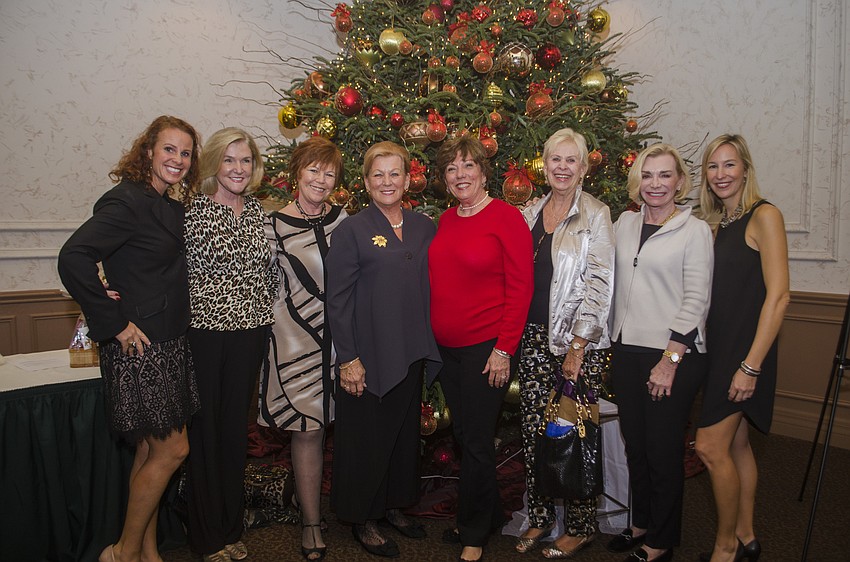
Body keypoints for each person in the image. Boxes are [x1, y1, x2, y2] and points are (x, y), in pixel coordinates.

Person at [58, 115, 202, 562]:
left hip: (170, 340)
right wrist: (114, 322)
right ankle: (121, 552)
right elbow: (73, 256)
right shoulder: (127, 200)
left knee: (148, 448)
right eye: (169, 149)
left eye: (185, 152)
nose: (178, 159)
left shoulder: (166, 204)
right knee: (174, 449)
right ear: (148, 151)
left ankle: (146, 551)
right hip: (140, 345)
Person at [326, 141, 442, 558]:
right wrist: (348, 359)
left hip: (410, 350)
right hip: (367, 355)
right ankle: (363, 517)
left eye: (395, 174)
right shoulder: (351, 230)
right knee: (367, 441)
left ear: (408, 180)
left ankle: (393, 506)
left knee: (402, 437)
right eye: (378, 174)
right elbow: (337, 300)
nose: (387, 182)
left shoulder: (424, 226)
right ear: (366, 181)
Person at [429, 136, 534, 562]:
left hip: (486, 349)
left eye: (468, 165)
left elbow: (521, 288)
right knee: (463, 436)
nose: (460, 175)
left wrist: (504, 349)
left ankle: (472, 533)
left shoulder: (506, 217)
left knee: (475, 441)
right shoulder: (446, 219)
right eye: (451, 168)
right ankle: (487, 515)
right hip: (447, 350)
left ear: (484, 172)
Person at [607, 143, 714, 562]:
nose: (655, 184)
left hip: (673, 354)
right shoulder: (625, 223)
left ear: (679, 181)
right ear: (638, 181)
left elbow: (696, 300)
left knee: (663, 449)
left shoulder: (694, 230)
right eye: (648, 175)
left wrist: (669, 362)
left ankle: (662, 540)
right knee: (636, 444)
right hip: (626, 349)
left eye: (665, 175)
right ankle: (641, 523)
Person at [515, 128, 614, 559]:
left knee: (574, 433)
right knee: (534, 431)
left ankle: (580, 526)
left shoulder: (596, 214)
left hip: (576, 344)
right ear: (545, 164)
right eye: (556, 159)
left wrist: (578, 346)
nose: (562, 167)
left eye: (571, 160)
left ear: (584, 167)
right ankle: (539, 517)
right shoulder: (530, 212)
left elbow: (600, 284)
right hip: (533, 338)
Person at [694, 135, 789, 562]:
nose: (721, 174)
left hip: (744, 354)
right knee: (736, 446)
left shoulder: (764, 215)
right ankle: (747, 534)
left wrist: (750, 367)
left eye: (729, 165)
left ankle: (726, 546)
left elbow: (779, 296)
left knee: (709, 448)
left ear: (746, 169)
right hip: (720, 348)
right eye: (713, 166)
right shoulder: (722, 223)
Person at [182, 128, 274, 562]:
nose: (238, 169)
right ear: (214, 163)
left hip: (250, 334)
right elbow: (160, 265)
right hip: (204, 334)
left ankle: (231, 528)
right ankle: (206, 538)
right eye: (229, 160)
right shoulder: (191, 210)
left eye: (246, 160)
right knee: (206, 433)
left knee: (237, 432)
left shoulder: (257, 211)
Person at [259, 135, 347, 561]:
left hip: (343, 343)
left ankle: (310, 498)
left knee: (335, 428)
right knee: (309, 431)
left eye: (329, 173)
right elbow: (263, 289)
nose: (321, 179)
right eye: (313, 169)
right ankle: (311, 522)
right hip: (295, 342)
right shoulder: (272, 225)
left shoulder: (345, 222)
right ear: (296, 172)